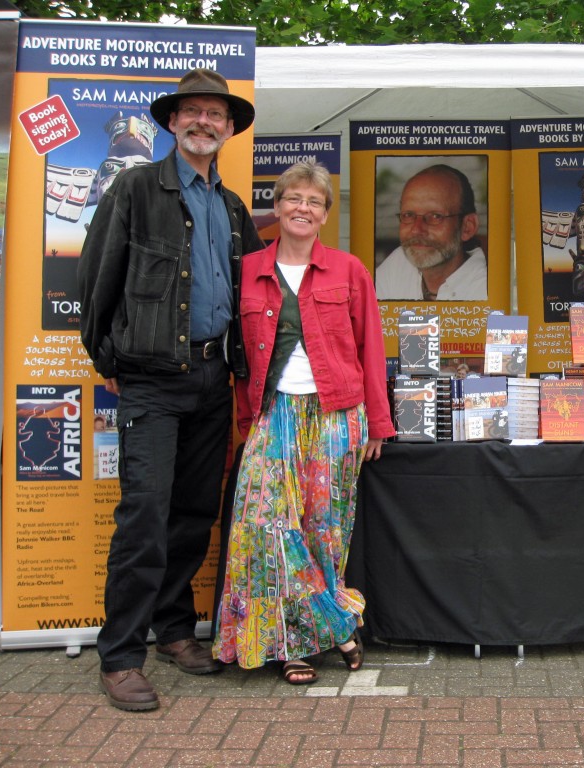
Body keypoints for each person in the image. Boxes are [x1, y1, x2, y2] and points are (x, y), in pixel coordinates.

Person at [78, 68, 262, 712]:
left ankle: (175, 632)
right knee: (144, 516)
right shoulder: (135, 188)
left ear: (230, 127)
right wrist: (110, 356)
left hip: (215, 379)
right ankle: (121, 655)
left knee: (191, 514)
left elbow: (251, 294)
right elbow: (97, 277)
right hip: (152, 382)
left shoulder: (234, 207)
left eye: (216, 114)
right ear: (172, 122)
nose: (204, 122)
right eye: (193, 112)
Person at [213, 160, 395, 685]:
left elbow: (371, 348)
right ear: (277, 204)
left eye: (314, 202)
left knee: (323, 530)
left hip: (337, 413)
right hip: (275, 412)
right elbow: (238, 353)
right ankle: (337, 625)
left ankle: (298, 643)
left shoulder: (348, 270)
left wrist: (378, 424)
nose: (302, 208)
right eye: (294, 198)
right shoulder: (247, 269)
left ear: (324, 215)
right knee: (266, 527)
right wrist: (247, 418)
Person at [374, 164, 488, 301]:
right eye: (408, 215)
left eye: (435, 216)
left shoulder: (487, 287)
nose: (417, 229)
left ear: (467, 227)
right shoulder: (398, 265)